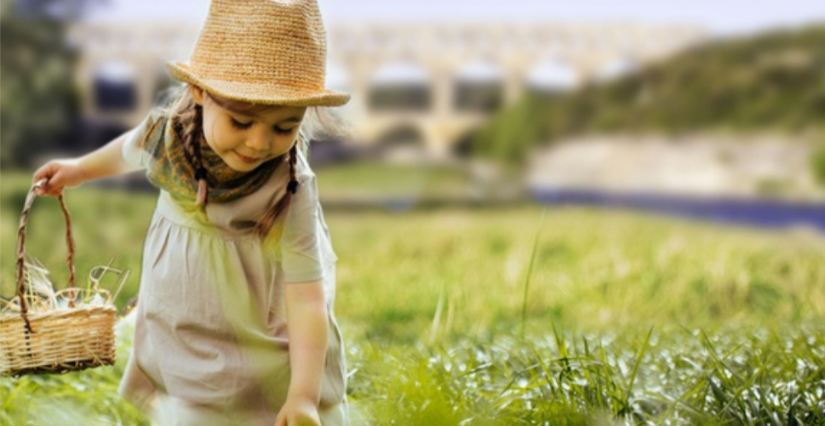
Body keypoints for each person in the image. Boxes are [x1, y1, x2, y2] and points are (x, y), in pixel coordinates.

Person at [31, 1, 350, 425]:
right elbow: (130, 149)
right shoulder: (167, 137)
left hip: (256, 336)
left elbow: (307, 298)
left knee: (255, 404)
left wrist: (304, 396)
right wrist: (78, 170)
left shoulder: (290, 185)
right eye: (241, 122)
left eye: (284, 127)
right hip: (181, 325)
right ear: (200, 93)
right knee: (190, 406)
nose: (258, 143)